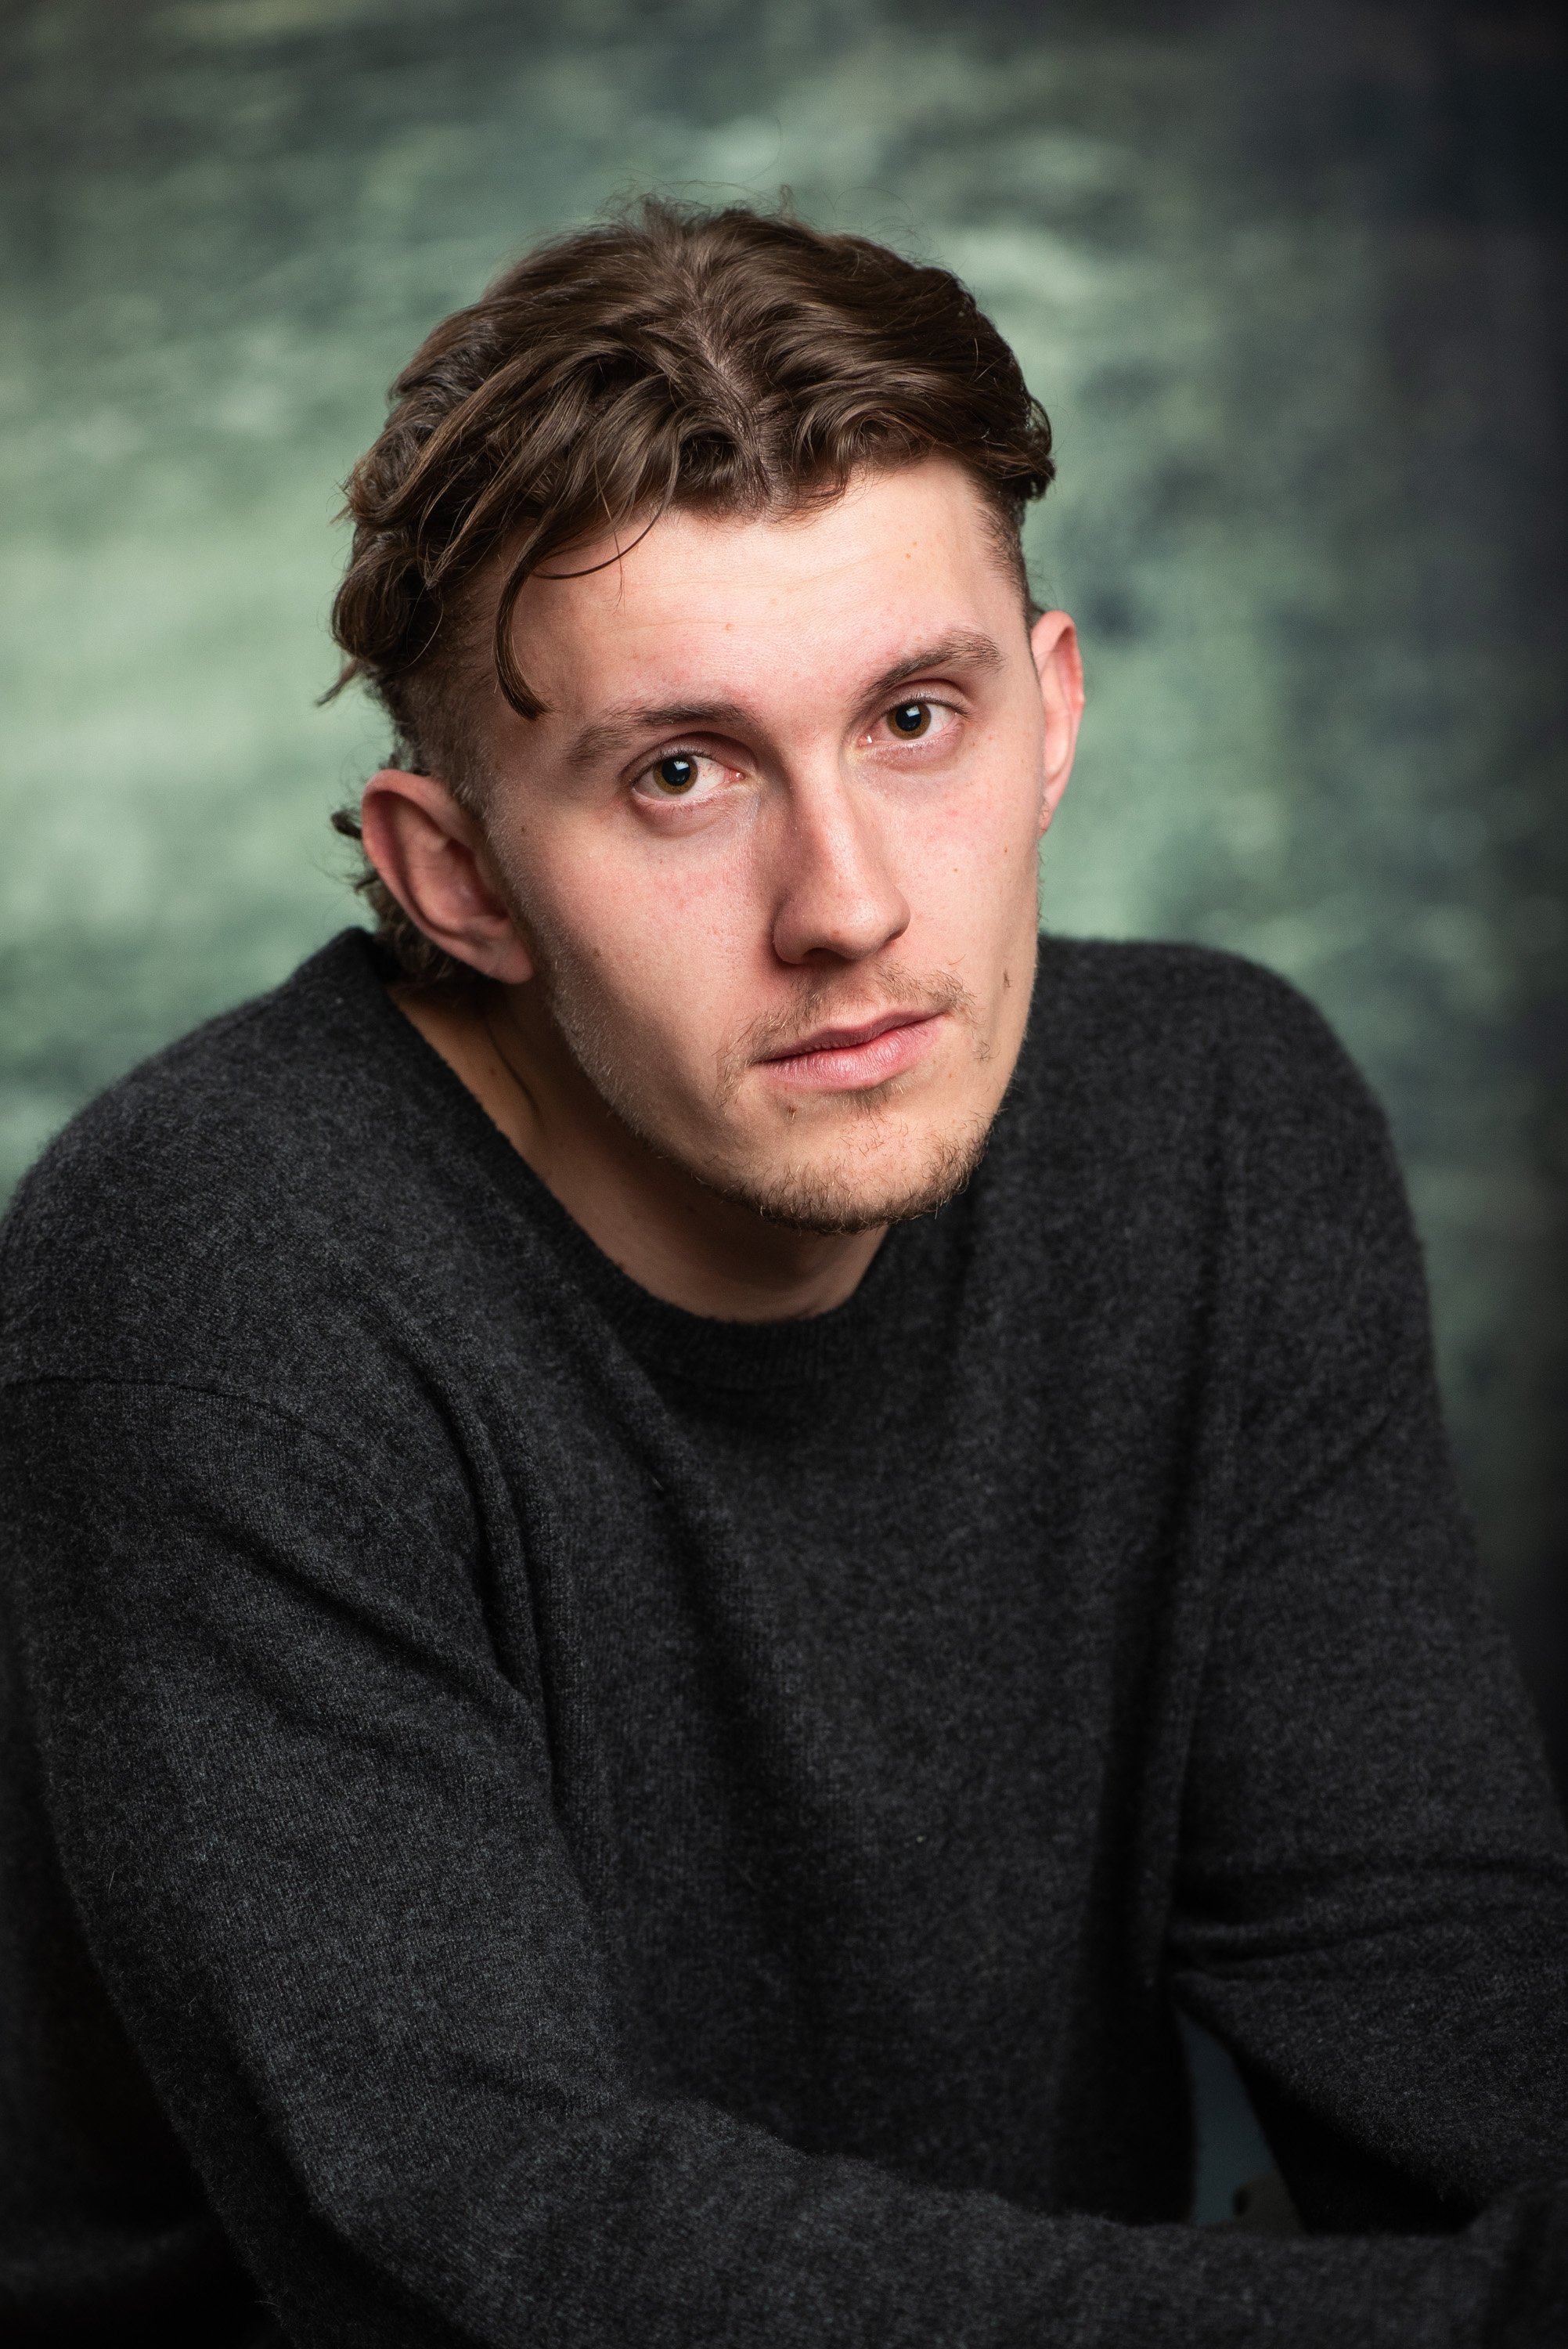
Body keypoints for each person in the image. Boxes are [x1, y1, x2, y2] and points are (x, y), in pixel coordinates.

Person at [0, 200, 1563, 2349]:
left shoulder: (1213, 1118)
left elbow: (1400, 1944)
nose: (843, 906)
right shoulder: (210, 1280)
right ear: (450, 877)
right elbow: (472, 2230)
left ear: (1048, 717)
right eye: (677, 773)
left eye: (913, 719)